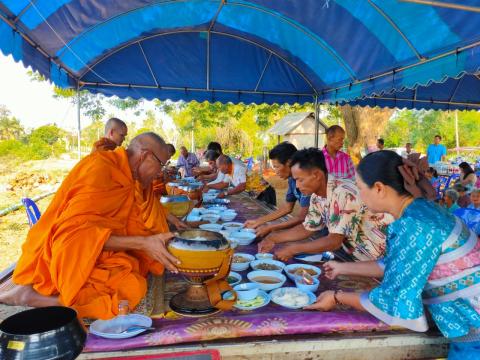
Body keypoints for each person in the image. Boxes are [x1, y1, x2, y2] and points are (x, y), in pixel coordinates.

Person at [305, 150, 480, 359]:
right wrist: (342, 267)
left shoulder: (415, 225)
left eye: (360, 188)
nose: (359, 195)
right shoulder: (419, 211)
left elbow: (394, 301)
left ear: (378, 188)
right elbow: (397, 264)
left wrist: (336, 297)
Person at [1, 133, 180, 319]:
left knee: (134, 281)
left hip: (97, 253)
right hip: (66, 255)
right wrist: (142, 243)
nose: (160, 173)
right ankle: (42, 299)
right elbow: (71, 236)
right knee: (125, 293)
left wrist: (147, 241)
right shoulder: (101, 169)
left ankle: (61, 299)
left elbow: (128, 223)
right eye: (161, 164)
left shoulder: (129, 178)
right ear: (145, 156)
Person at [257, 148, 392, 262]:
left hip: (383, 261)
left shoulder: (343, 193)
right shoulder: (317, 196)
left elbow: (334, 241)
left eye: (300, 180)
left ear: (317, 175)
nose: (297, 186)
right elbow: (307, 228)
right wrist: (273, 238)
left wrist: (293, 249)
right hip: (359, 258)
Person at [245, 142, 310, 238]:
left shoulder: (307, 180)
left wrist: (271, 227)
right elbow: (287, 207)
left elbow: (302, 217)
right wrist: (258, 221)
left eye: (276, 166)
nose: (275, 171)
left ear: (289, 163)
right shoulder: (292, 180)